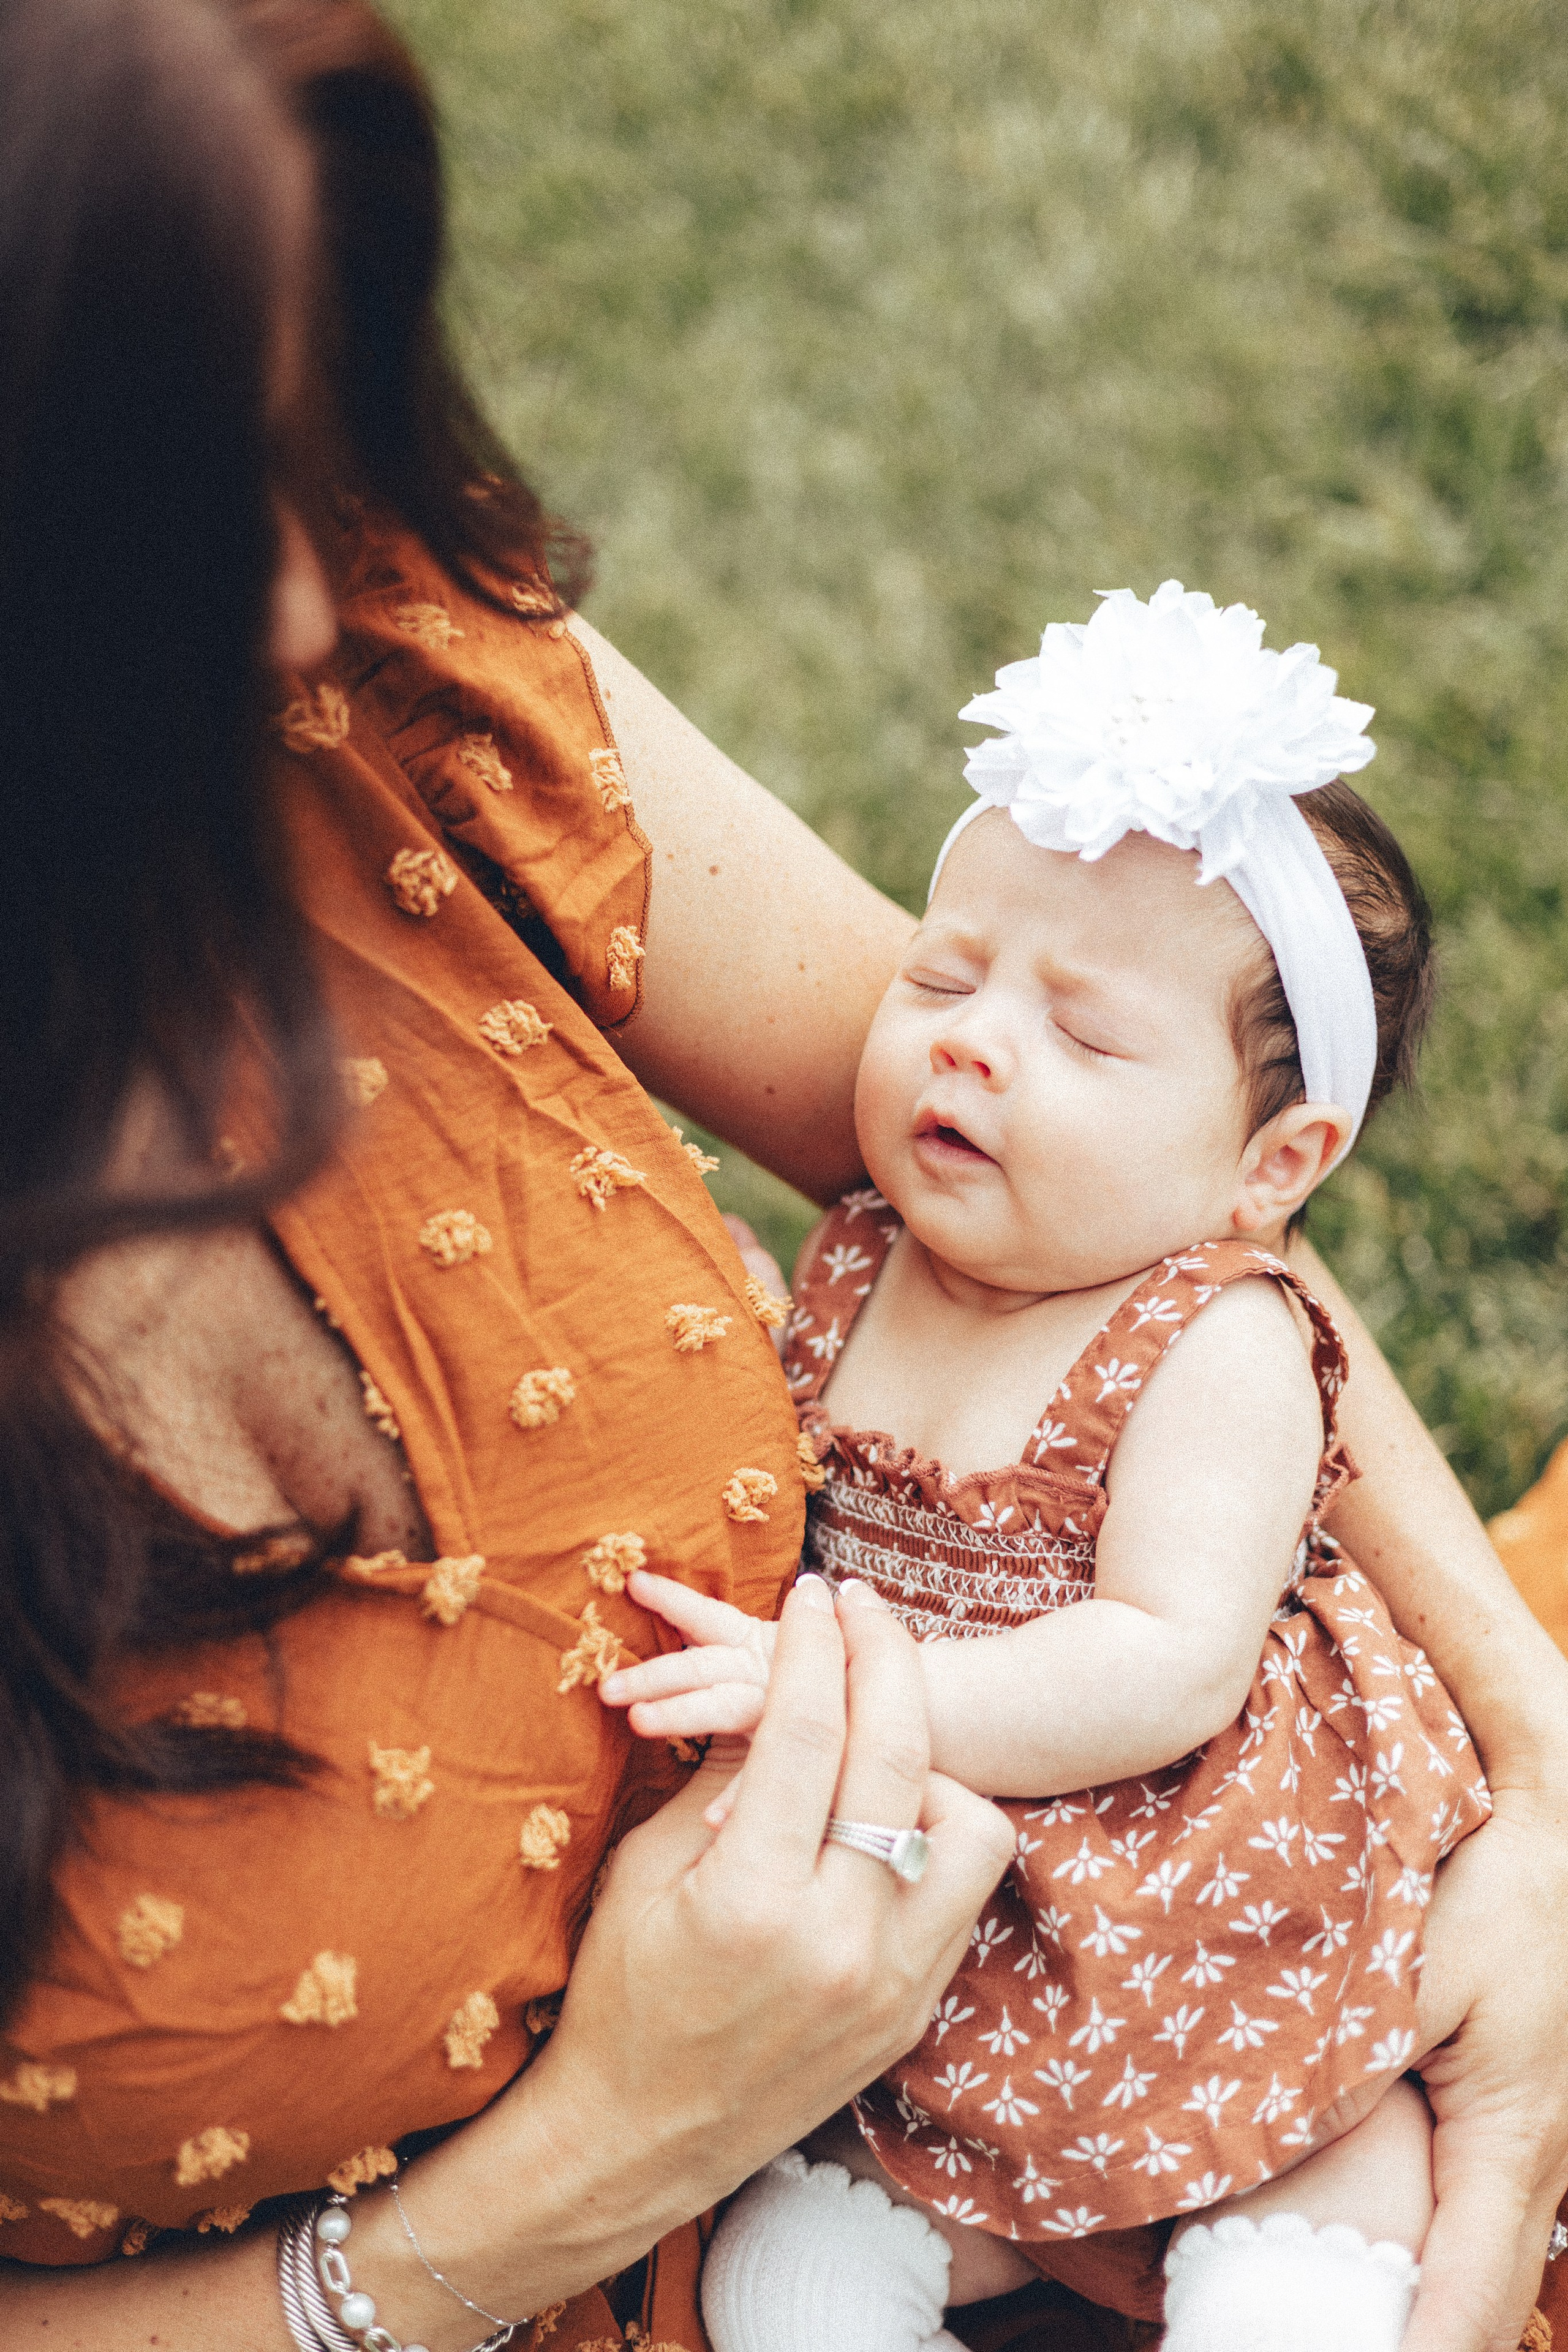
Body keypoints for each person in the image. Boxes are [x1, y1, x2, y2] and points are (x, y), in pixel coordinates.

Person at [0, 5, 1565, 2350]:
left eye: (308, 460)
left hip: (1201, 2004)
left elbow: (1132, 1225)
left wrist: (1537, 1774)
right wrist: (578, 2175)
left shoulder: (361, 663)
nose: (310, 612)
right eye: (150, 522)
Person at [601, 590, 1551, 2351]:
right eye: (944, 975)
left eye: (1088, 1036)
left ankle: (1287, 2261)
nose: (973, 1039)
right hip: (955, 1978)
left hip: (1219, 1928)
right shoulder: (865, 1259)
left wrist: (843, 1683)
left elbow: (1162, 1664)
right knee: (782, 2284)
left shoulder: (1218, 1337)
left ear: (1275, 1162)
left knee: (1310, 2246)